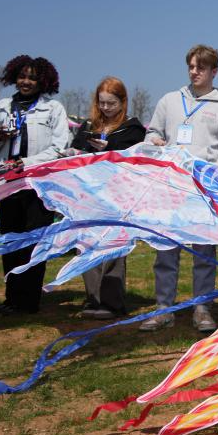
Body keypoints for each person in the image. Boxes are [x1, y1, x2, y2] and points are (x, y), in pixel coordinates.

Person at [141, 44, 218, 333]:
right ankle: (164, 308)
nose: (194, 72)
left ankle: (202, 308)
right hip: (171, 187)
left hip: (204, 190)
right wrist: (154, 141)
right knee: (166, 250)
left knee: (204, 252)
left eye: (201, 67)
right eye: (191, 67)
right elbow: (152, 133)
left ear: (214, 71)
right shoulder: (170, 101)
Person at [0, 55, 70, 315]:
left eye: (32, 78)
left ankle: (29, 300)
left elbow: (60, 148)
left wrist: (25, 163)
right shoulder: (3, 106)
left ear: (43, 81)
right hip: (8, 185)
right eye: (22, 76)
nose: (26, 82)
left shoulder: (53, 108)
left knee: (36, 242)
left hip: (37, 185)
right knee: (11, 242)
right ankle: (12, 298)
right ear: (15, 77)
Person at [69, 77, 147, 319]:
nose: (105, 108)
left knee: (113, 246)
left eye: (111, 103)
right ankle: (93, 299)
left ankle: (112, 302)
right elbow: (76, 149)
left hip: (117, 195)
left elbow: (134, 157)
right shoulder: (88, 126)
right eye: (101, 103)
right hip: (88, 194)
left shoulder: (132, 128)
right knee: (87, 245)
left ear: (122, 102)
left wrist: (108, 149)